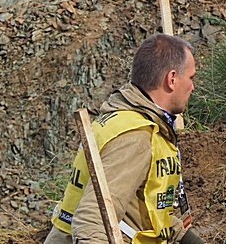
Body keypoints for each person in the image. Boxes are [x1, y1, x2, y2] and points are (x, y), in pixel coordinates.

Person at [44, 33, 204, 244]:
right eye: (191, 78)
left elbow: (149, 214)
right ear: (172, 79)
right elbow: (92, 219)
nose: (193, 87)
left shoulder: (130, 121)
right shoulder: (135, 137)